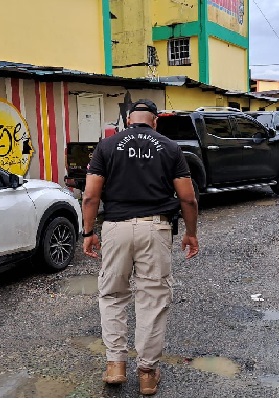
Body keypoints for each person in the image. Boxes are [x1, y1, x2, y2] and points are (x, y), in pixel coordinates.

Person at [81, 99, 199, 395]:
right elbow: (188, 198)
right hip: (156, 228)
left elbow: (90, 196)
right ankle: (147, 373)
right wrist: (191, 233)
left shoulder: (107, 146)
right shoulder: (170, 148)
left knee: (113, 295)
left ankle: (115, 365)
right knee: (153, 299)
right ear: (155, 122)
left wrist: (88, 232)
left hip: (116, 228)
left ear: (127, 120)